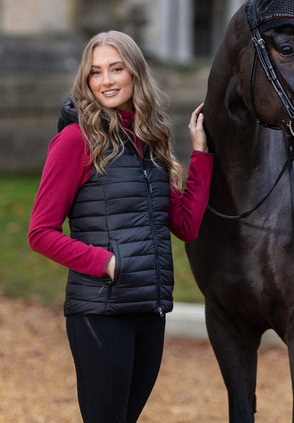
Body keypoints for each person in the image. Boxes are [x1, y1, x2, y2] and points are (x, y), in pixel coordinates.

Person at [28, 30, 213, 423]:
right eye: (96, 72)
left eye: (116, 68)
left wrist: (200, 154)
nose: (107, 80)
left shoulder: (151, 142)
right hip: (100, 312)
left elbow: (186, 225)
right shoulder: (75, 140)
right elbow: (40, 232)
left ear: (135, 74)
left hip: (149, 312)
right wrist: (107, 264)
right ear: (86, 80)